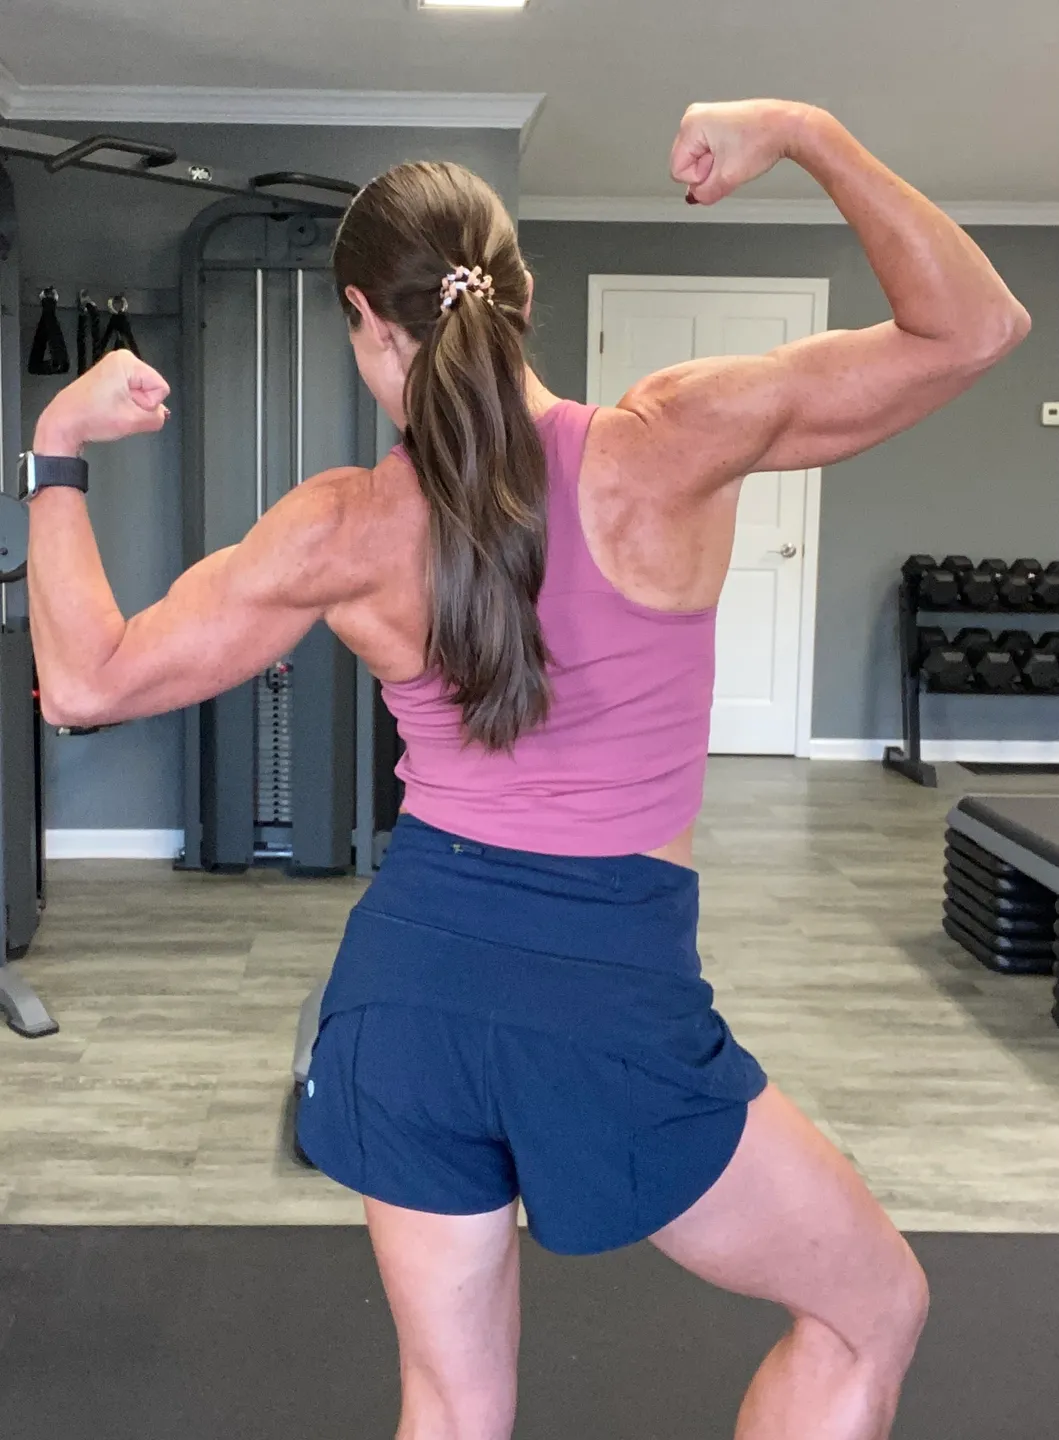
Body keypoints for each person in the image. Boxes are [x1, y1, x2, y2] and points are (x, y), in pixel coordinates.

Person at [27, 99, 1028, 1440]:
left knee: (448, 1411)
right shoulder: (667, 441)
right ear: (524, 297)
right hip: (605, 993)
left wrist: (59, 447)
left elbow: (84, 681)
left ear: (364, 327)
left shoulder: (340, 525)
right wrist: (801, 131)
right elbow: (975, 329)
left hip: (405, 992)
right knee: (869, 1313)